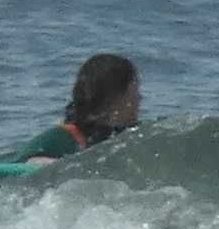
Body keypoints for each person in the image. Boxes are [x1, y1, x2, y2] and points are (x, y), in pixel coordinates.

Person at [12, 53, 141, 164]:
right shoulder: (62, 137)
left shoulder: (125, 136)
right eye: (134, 92)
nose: (139, 99)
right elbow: (27, 163)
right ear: (115, 98)